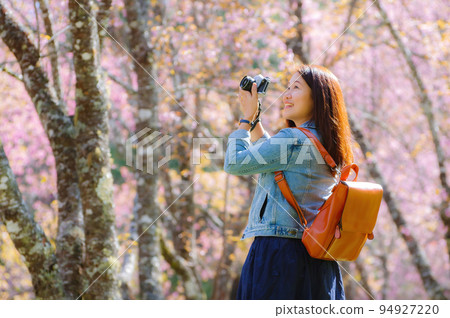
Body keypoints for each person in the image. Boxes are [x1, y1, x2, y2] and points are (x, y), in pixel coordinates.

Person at [223, 64, 354, 300]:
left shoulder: (293, 140)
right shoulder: (326, 141)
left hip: (279, 255)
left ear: (318, 98)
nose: (286, 95)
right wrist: (255, 120)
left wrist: (244, 120)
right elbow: (275, 154)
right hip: (316, 257)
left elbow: (234, 162)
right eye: (287, 88)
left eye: (295, 88)